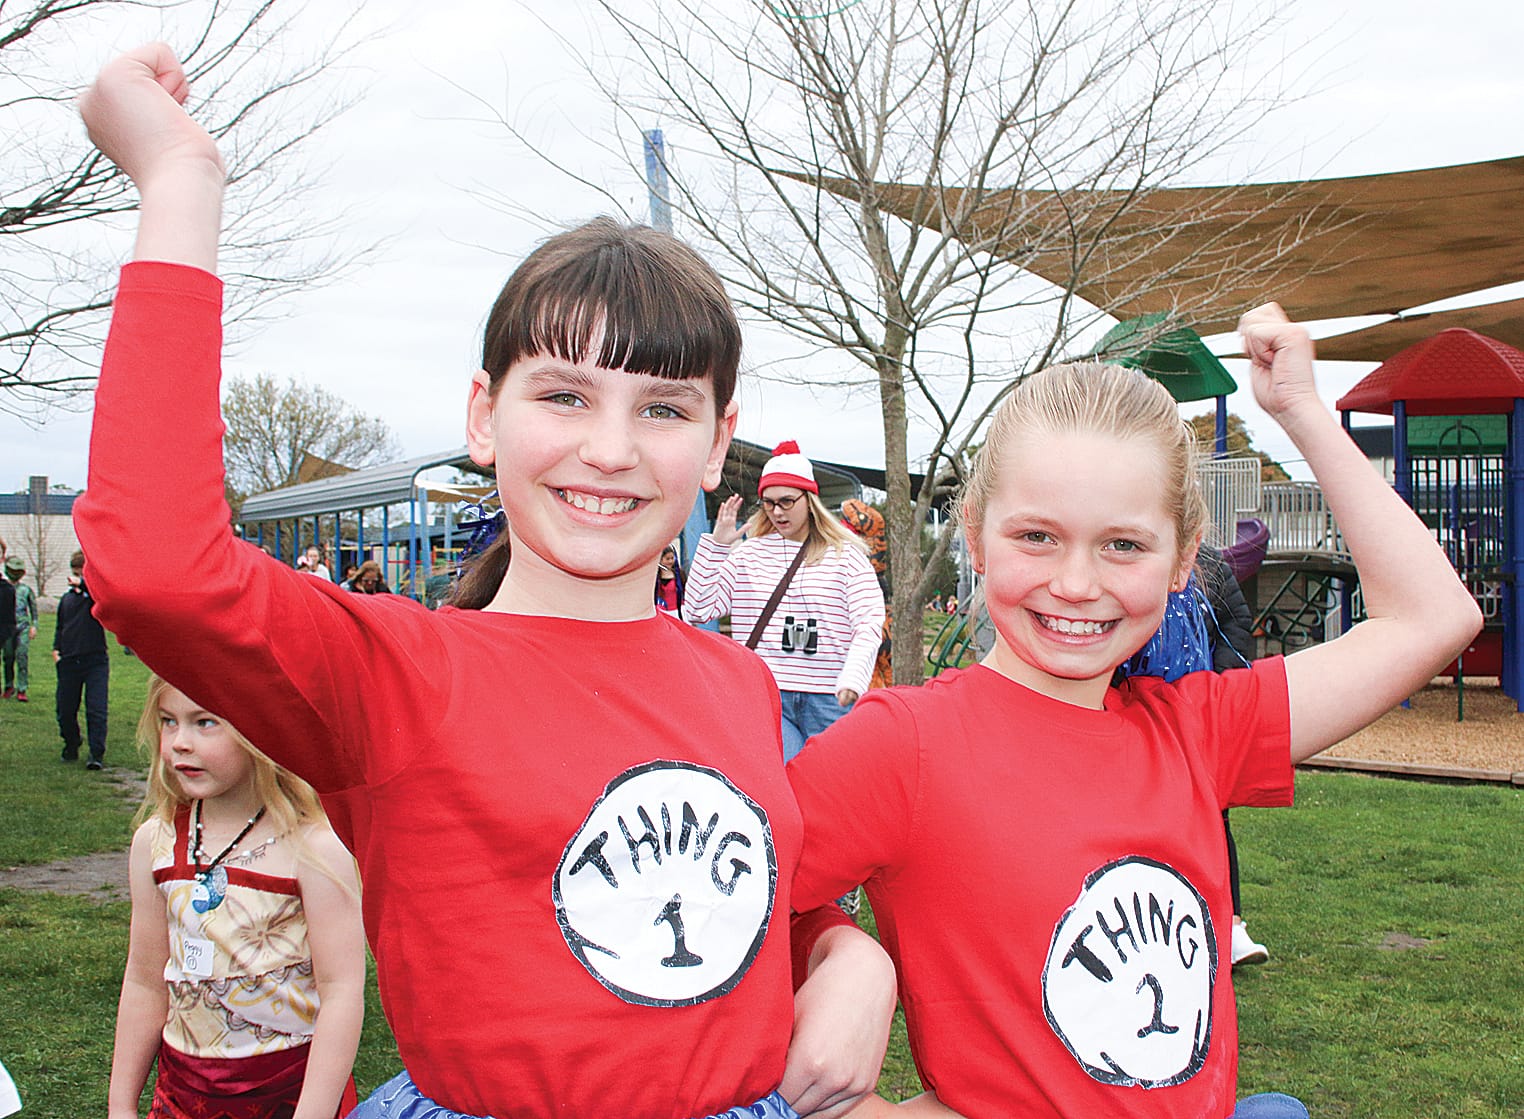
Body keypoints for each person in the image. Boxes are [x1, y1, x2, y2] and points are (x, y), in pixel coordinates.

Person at [77, 44, 893, 1119]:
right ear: (482, 416)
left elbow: (724, 903)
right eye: (563, 395)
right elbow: (157, 568)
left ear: (716, 440)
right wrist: (180, 183)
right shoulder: (400, 674)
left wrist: (844, 953)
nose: (611, 449)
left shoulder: (737, 682)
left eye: (662, 407)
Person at [786, 318, 1482, 1118]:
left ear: (1184, 558)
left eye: (1123, 545)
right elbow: (722, 920)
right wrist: (844, 955)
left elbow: (1433, 618)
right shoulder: (903, 745)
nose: (1077, 583)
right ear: (975, 535)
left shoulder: (1196, 730)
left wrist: (1302, 411)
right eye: (1037, 536)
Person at [109, 675, 366, 1119]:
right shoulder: (155, 842)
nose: (180, 742)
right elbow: (144, 981)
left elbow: (341, 992)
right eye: (168, 721)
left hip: (287, 1096)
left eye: (204, 722)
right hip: (180, 1098)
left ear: (261, 727)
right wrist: (120, 1106)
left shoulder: (315, 850)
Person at [684, 442, 886, 761]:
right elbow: (698, 609)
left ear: (809, 500)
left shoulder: (846, 556)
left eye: (787, 501)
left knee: (831, 778)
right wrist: (716, 547)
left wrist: (853, 678)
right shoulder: (748, 554)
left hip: (830, 696)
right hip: (766, 692)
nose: (777, 512)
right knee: (780, 778)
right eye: (769, 503)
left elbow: (869, 623)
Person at [54, 549, 111, 769]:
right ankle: (71, 742)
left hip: (95, 660)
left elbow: (103, 593)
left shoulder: (96, 599)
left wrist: (85, 583)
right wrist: (56, 649)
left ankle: (96, 753)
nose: (77, 578)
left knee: (96, 709)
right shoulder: (67, 600)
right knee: (65, 710)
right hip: (69, 660)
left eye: (82, 573)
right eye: (76, 573)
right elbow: (61, 627)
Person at [3, 556, 39, 702]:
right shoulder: (4, 588)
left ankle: (22, 688)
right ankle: (8, 686)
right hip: (7, 627)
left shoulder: (26, 590)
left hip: (22, 626)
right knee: (8, 656)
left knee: (22, 655)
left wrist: (34, 626)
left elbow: (34, 610)